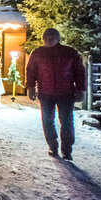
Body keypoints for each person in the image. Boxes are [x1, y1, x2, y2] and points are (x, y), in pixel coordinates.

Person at [26, 28, 85, 161]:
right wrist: (30, 87)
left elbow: (79, 72)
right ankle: (52, 145)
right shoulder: (38, 53)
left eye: (52, 37)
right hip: (46, 92)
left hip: (66, 93)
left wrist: (81, 89)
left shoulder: (69, 53)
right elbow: (31, 71)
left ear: (58, 38)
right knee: (47, 121)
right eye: (46, 37)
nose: (49, 39)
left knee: (66, 121)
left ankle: (67, 150)